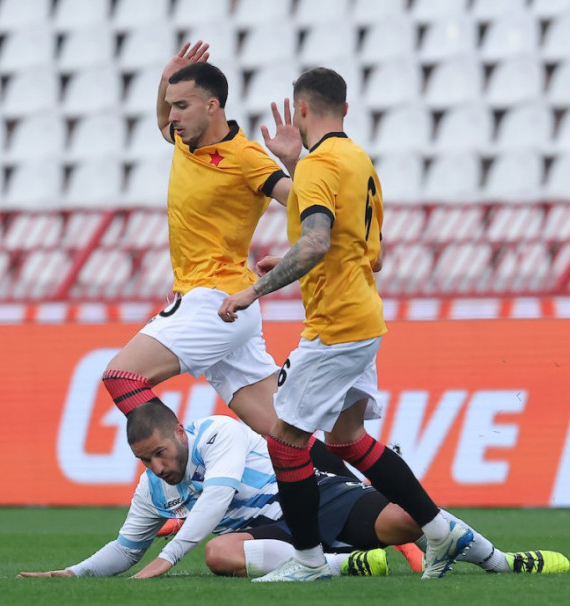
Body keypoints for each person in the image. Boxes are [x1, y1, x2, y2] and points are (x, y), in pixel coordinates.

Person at [217, 67, 475, 582]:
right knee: (346, 439)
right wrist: (295, 166)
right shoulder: (357, 159)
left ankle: (310, 562)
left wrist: (252, 291)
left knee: (285, 443)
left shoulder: (318, 166)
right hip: (364, 316)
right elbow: (363, 251)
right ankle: (438, 530)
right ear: (346, 110)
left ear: (302, 110)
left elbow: (315, 243)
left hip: (334, 326)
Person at [98, 42, 346, 476]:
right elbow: (162, 121)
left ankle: (181, 472)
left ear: (212, 106)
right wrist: (165, 80)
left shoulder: (246, 158)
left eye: (182, 106)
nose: (172, 116)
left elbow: (306, 202)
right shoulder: (184, 140)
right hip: (226, 308)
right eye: (171, 105)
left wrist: (295, 162)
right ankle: (375, 505)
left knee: (122, 377)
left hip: (216, 300)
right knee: (283, 434)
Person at [17, 403, 570, 579]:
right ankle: (342, 564)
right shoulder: (151, 490)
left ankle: (501, 561)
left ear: (180, 432)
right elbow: (124, 548)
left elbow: (218, 495)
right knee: (219, 554)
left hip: (311, 497)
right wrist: (74, 573)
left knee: (407, 521)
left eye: (160, 452)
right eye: (145, 460)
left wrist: (168, 558)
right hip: (266, 533)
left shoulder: (217, 432)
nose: (157, 467)